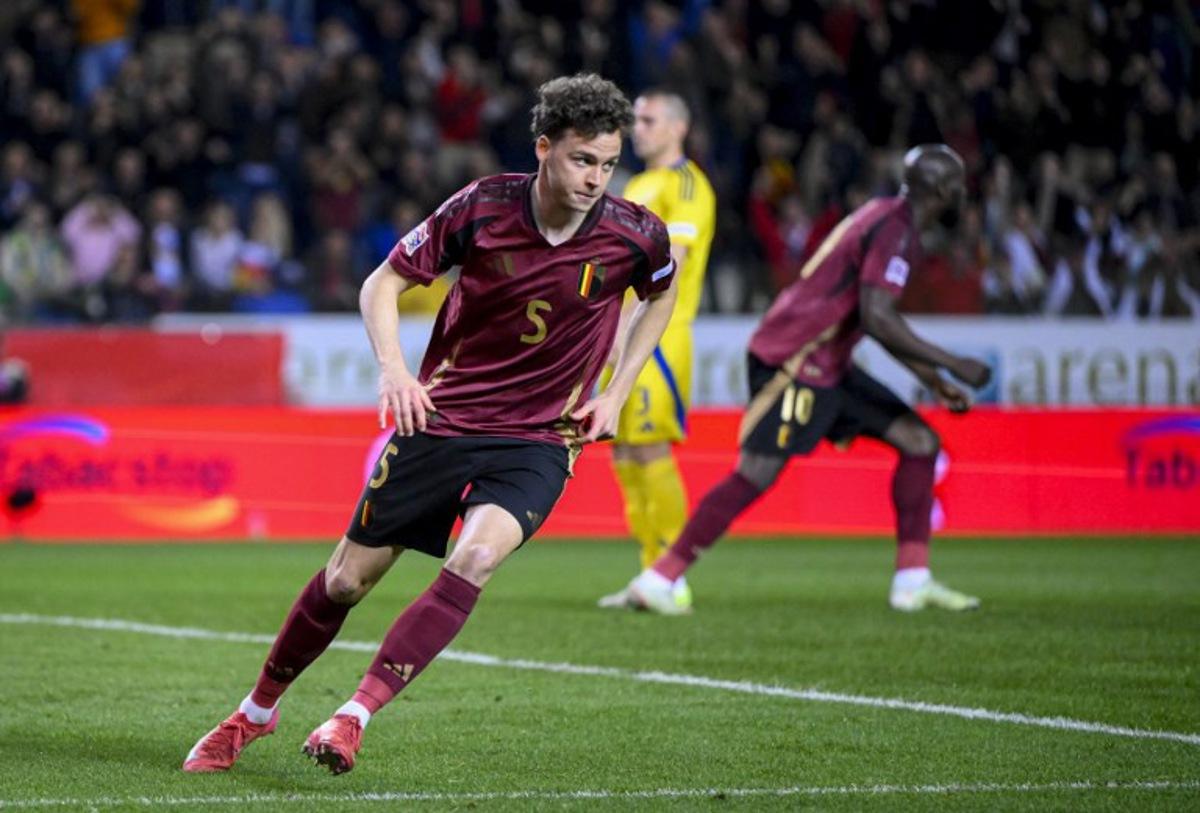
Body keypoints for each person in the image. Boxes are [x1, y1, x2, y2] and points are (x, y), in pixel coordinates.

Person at [182, 73, 678, 775]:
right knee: (346, 581)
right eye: (581, 159)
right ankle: (254, 713)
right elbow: (381, 282)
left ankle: (353, 715)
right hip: (443, 420)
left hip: (540, 437)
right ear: (543, 148)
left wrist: (618, 389)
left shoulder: (635, 234)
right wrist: (394, 370)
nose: (596, 177)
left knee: (474, 559)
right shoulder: (481, 207)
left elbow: (660, 293)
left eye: (606, 162)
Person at [622, 144, 992, 615]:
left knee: (919, 441)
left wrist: (933, 380)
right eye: (959, 183)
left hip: (828, 363)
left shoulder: (886, 217)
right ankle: (660, 578)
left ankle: (912, 581)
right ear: (942, 190)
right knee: (757, 471)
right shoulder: (895, 230)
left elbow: (870, 316)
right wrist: (953, 364)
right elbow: (879, 318)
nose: (964, 192)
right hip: (796, 359)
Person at [597, 90, 715, 612]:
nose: (636, 128)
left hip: (659, 338)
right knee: (623, 454)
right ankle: (649, 571)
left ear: (677, 127)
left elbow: (677, 260)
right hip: (622, 331)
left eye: (647, 120)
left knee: (650, 450)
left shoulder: (686, 184)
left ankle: (672, 574)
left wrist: (626, 328)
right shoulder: (639, 184)